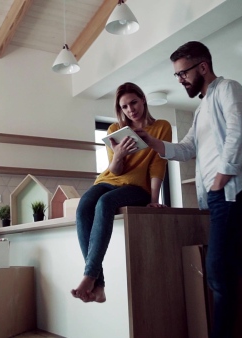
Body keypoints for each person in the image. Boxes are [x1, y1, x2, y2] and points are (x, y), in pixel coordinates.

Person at [135, 41, 242, 337]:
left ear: (202, 67)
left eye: (182, 74)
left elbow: (238, 129)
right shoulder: (201, 108)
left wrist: (222, 176)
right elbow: (186, 148)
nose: (180, 80)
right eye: (177, 76)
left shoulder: (229, 89)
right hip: (221, 197)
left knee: (218, 271)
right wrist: (151, 141)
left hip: (232, 192)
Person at [71, 82, 172, 303]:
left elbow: (157, 165)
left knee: (105, 204)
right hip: (108, 180)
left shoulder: (162, 126)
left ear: (143, 99)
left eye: (133, 103)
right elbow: (115, 170)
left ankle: (90, 277)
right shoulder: (114, 130)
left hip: (137, 188)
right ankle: (99, 286)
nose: (130, 110)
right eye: (124, 107)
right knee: (83, 208)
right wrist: (118, 155)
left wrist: (154, 200)